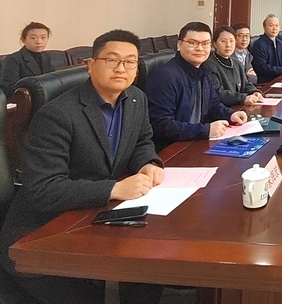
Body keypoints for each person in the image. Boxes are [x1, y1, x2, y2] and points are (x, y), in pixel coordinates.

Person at [0, 29, 164, 304]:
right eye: (112, 60)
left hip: (92, 218)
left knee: (149, 267)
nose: (121, 68)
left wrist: (148, 162)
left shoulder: (136, 99)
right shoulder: (57, 115)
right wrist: (114, 189)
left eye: (130, 62)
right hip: (42, 235)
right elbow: (42, 189)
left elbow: (142, 141)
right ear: (90, 65)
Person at [146, 22, 247, 150]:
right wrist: (206, 130)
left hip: (196, 141)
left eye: (205, 44)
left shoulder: (204, 70)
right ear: (179, 45)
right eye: (193, 43)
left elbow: (214, 104)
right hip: (173, 149)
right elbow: (162, 125)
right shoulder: (165, 76)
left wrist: (231, 115)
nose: (200, 48)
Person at [204, 26, 263, 107]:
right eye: (223, 41)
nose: (228, 45)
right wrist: (243, 98)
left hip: (239, 107)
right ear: (215, 44)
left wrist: (254, 92)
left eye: (231, 41)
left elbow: (245, 84)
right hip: (222, 109)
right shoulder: (209, 65)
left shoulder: (236, 62)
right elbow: (218, 92)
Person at [0, 22, 54, 97]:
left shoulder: (46, 56)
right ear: (23, 40)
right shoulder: (13, 59)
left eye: (43, 37)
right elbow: (8, 88)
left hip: (48, 97)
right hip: (28, 100)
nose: (39, 42)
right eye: (33, 38)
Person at [250, 15, 282, 84]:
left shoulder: (280, 43)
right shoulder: (259, 44)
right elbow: (262, 67)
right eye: (271, 25)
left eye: (277, 25)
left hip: (280, 79)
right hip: (267, 82)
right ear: (264, 27)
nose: (274, 28)